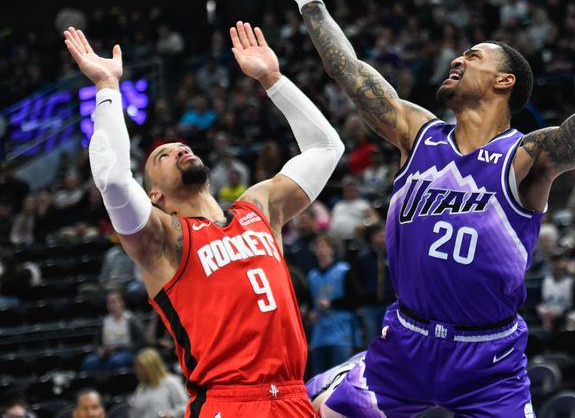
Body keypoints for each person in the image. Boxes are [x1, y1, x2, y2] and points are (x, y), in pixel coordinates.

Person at [288, 0, 575, 416]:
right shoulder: (418, 134)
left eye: (473, 56)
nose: (458, 59)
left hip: (488, 362)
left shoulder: (527, 156)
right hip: (405, 348)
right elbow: (348, 71)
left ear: (504, 80)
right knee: (301, 410)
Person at [63, 23, 344, 417]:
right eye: (164, 155)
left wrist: (273, 79)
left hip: (293, 397)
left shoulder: (258, 207)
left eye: (183, 147)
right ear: (154, 196)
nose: (179, 151)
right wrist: (108, 87)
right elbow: (111, 178)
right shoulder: (163, 239)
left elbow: (326, 147)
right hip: (227, 402)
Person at [307, 234, 361, 375]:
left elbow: (355, 299)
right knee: (319, 376)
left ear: (332, 249)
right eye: (317, 246)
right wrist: (310, 312)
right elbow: (308, 301)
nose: (320, 250)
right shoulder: (312, 275)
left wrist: (332, 303)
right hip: (319, 333)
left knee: (340, 374)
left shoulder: (344, 270)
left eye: (324, 246)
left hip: (341, 332)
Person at [81, 290, 145, 372]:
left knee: (115, 362)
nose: (111, 305)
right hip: (106, 353)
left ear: (122, 303)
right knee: (88, 362)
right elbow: (96, 342)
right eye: (109, 303)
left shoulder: (131, 320)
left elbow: (140, 342)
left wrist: (119, 348)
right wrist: (99, 350)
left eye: (114, 302)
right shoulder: (105, 321)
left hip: (126, 351)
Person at [129, 348, 189, 418]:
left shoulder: (170, 382)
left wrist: (172, 415)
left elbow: (185, 405)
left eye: (141, 367)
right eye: (137, 368)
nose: (138, 371)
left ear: (152, 367)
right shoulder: (141, 388)